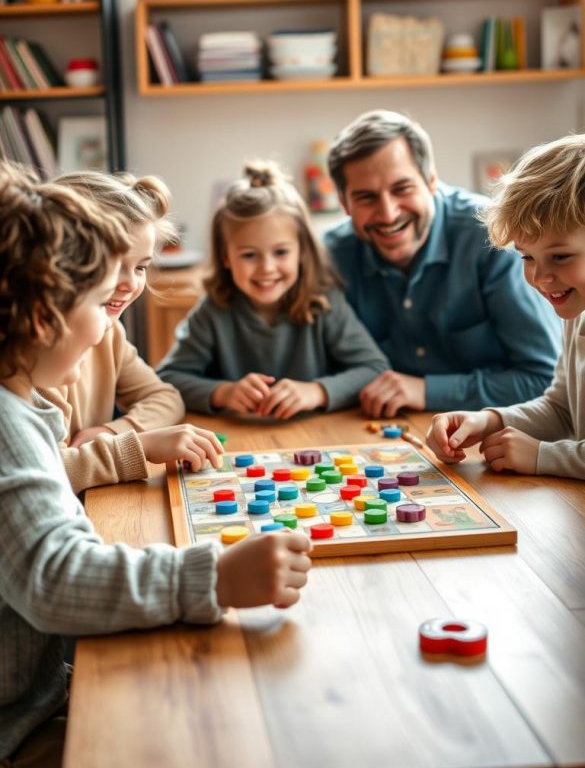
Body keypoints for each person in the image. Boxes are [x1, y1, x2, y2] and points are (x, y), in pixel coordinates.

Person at [0, 161, 312, 768]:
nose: (106, 321)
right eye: (97, 298)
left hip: (46, 686)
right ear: (43, 315)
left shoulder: (21, 405)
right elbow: (58, 578)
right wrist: (214, 577)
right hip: (18, 727)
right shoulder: (8, 423)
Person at [325, 109, 561, 417]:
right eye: (367, 197)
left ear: (432, 180)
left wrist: (424, 390)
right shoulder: (330, 256)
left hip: (492, 435)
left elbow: (543, 380)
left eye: (402, 188)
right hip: (376, 434)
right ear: (344, 203)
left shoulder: (494, 239)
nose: (388, 214)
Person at [38, 170, 222, 494]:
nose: (131, 283)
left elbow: (165, 398)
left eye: (140, 267)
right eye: (114, 264)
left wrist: (112, 431)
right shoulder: (34, 352)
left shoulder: (108, 332)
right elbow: (40, 476)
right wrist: (135, 446)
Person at [157, 160, 388, 418]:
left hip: (317, 438)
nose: (267, 268)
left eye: (281, 252)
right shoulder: (213, 310)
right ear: (226, 257)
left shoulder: (324, 303)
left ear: (301, 251)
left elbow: (375, 369)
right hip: (241, 440)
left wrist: (317, 392)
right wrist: (223, 392)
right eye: (249, 255)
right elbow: (167, 379)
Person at [426, 134, 585, 479]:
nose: (541, 276)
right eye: (527, 256)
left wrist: (544, 456)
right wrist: (489, 420)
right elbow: (562, 411)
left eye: (560, 256)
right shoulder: (577, 310)